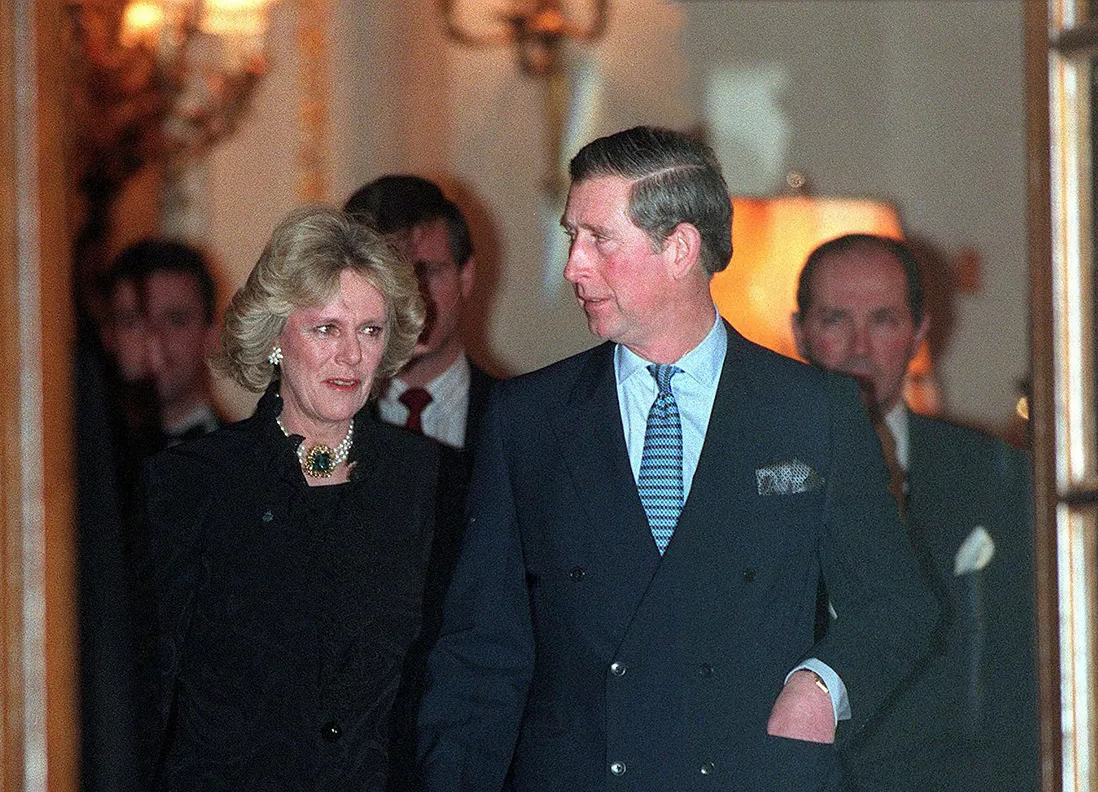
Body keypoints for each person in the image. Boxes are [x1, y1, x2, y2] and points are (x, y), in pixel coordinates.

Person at [417, 126, 937, 791]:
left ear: (680, 247)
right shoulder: (530, 419)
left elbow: (896, 605)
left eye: (598, 238)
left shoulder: (812, 410)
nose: (574, 265)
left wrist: (822, 685)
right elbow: (479, 658)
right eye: (572, 236)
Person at [141, 206, 448, 789]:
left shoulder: (431, 482)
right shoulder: (189, 485)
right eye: (326, 328)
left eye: (370, 330)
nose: (351, 356)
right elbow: (147, 688)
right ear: (277, 336)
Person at [791, 233, 1037, 791]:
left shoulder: (997, 477)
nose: (859, 346)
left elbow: (1023, 682)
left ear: (919, 332)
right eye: (834, 320)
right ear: (800, 332)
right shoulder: (742, 473)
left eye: (882, 320)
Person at [344, 175, 497, 454]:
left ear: (466, 277)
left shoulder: (522, 417)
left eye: (427, 271)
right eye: (389, 277)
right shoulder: (325, 416)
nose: (412, 296)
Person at [99, 239, 223, 446]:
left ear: (211, 334)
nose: (154, 339)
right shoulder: (72, 455)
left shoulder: (249, 462)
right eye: (133, 322)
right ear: (108, 335)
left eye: (176, 320)